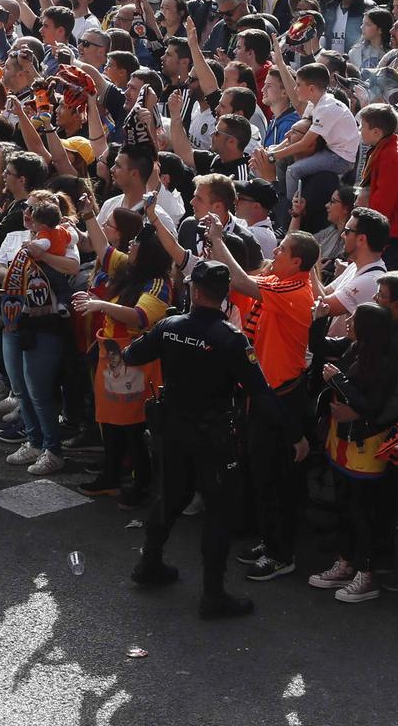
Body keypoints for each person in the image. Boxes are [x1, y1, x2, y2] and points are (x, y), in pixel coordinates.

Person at [122, 257, 307, 617]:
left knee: (171, 497)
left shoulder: (171, 325)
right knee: (219, 511)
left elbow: (132, 354)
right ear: (225, 296)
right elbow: (262, 392)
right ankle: (213, 593)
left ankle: (150, 564)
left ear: (194, 290)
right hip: (213, 437)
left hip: (173, 430)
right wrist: (295, 434)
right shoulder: (231, 338)